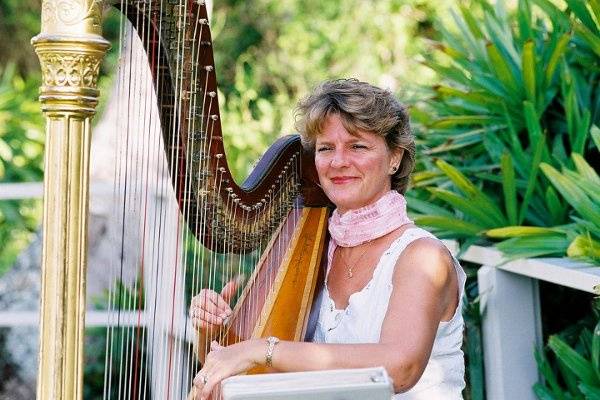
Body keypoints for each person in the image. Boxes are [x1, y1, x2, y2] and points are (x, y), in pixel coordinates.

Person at [188, 79, 466, 399]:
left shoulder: (422, 257)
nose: (338, 162)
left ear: (395, 158)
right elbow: (250, 366)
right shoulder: (316, 248)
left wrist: (261, 349)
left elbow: (399, 367)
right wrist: (212, 333)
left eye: (357, 146)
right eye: (325, 148)